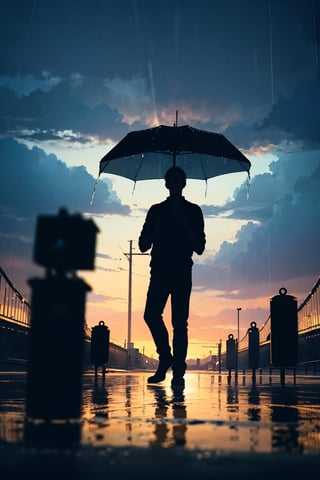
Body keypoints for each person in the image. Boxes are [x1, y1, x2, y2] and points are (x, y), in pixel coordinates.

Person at [138, 166, 206, 388]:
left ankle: (178, 371)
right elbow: (142, 245)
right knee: (151, 315)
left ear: (183, 184)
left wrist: (184, 225)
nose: (175, 184)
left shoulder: (193, 211)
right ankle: (165, 356)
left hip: (182, 272)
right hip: (159, 271)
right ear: (167, 184)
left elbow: (200, 247)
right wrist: (157, 229)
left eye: (179, 181)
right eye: (172, 181)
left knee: (179, 323)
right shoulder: (156, 210)